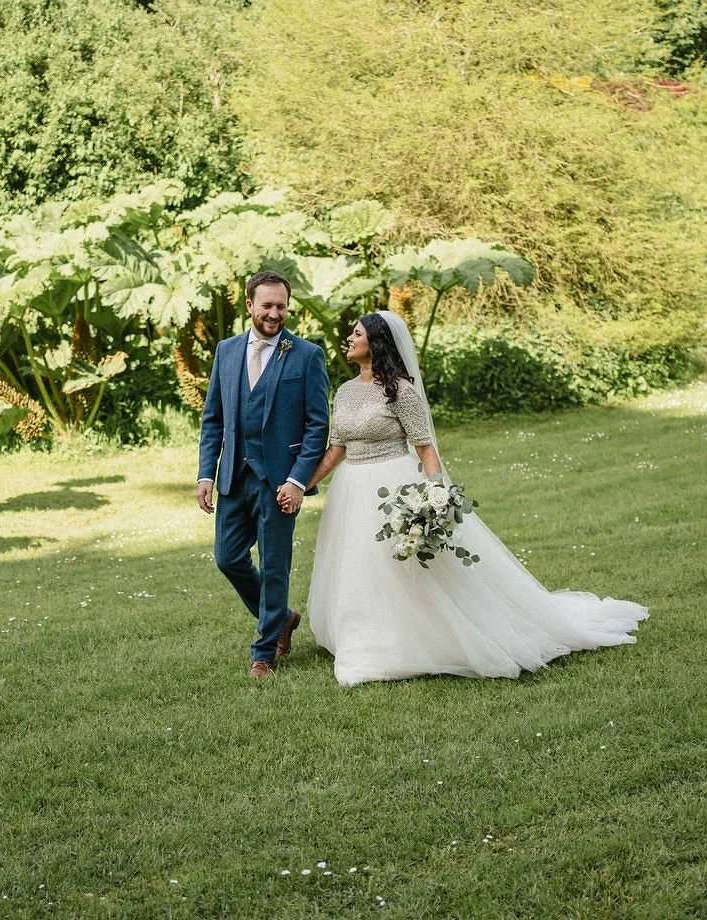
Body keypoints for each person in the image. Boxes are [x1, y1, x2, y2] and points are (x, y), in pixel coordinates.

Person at [302, 310, 648, 686]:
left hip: (393, 484)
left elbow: (426, 449)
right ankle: (362, 634)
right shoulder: (345, 391)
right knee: (357, 565)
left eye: (357, 334)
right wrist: (303, 484)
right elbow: (335, 449)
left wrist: (436, 496)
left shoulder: (400, 390)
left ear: (377, 343)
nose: (349, 339)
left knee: (403, 567)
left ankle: (407, 640)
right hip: (351, 490)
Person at [197, 271, 331, 679]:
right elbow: (213, 418)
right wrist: (206, 474)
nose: (275, 314)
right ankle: (282, 618)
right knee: (228, 557)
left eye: (281, 306)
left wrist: (297, 480)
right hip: (235, 475)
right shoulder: (227, 350)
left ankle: (264, 652)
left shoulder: (306, 355)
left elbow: (317, 426)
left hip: (279, 482)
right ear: (250, 305)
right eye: (267, 305)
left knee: (274, 565)